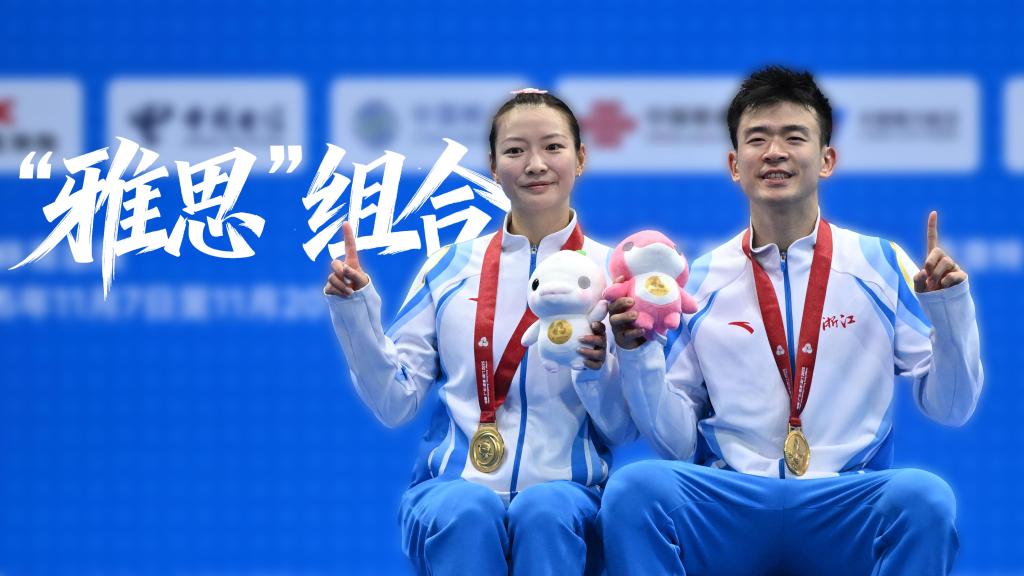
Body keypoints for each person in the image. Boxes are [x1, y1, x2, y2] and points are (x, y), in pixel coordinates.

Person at [601, 66, 983, 575]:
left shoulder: (879, 262)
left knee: (924, 497)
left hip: (843, 502)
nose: (774, 152)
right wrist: (638, 354)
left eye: (794, 137)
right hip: (734, 503)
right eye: (757, 139)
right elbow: (677, 443)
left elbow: (952, 406)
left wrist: (950, 310)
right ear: (734, 164)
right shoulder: (702, 280)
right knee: (635, 489)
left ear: (826, 159)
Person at [324, 90, 636, 575]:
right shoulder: (449, 268)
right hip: (453, 489)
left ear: (580, 158)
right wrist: (354, 310)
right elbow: (394, 401)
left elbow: (621, 429)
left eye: (553, 147)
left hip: (570, 498)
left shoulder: (612, 275)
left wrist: (596, 371)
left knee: (545, 511)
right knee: (468, 510)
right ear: (492, 166)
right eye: (515, 150)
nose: (535, 164)